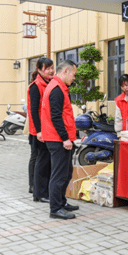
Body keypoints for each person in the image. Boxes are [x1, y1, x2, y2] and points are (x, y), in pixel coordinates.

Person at [41, 60, 80, 219]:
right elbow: (56, 117)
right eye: (73, 74)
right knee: (59, 174)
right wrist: (65, 138)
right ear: (65, 71)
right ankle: (55, 208)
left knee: (66, 172)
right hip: (57, 139)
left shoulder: (60, 87)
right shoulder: (56, 89)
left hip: (60, 138)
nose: (74, 78)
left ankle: (61, 201)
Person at [27, 57, 54, 203]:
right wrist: (38, 131)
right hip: (39, 130)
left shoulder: (49, 83)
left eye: (52, 67)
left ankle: (40, 190)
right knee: (40, 160)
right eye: (47, 68)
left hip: (48, 129)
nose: (51, 71)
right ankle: (38, 191)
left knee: (43, 160)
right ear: (39, 70)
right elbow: (33, 110)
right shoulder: (36, 86)